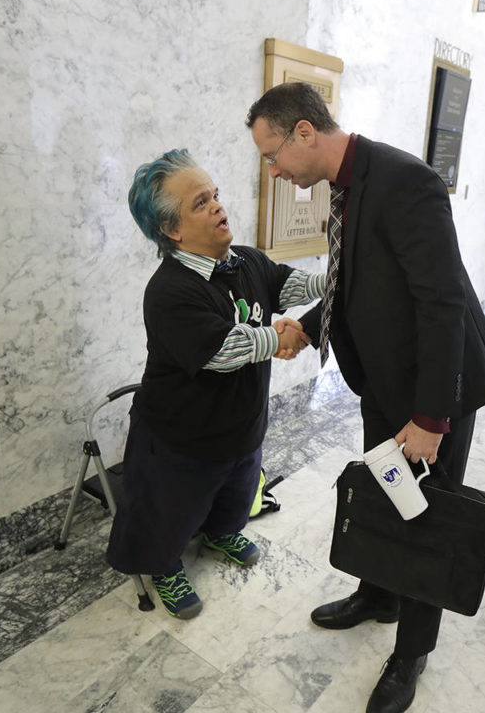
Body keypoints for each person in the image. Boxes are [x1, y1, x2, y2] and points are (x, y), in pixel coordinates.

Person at [246, 82, 485, 713]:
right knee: (387, 492)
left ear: (305, 132)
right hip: (385, 379)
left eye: (272, 153)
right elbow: (357, 280)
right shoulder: (348, 184)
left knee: (425, 515)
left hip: (432, 389)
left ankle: (412, 651)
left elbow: (441, 304)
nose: (273, 170)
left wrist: (431, 418)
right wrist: (308, 327)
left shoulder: (405, 181)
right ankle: (379, 594)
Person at [105, 149, 322, 620]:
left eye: (216, 195)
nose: (219, 207)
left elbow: (291, 285)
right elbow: (222, 351)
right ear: (172, 230)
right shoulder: (169, 292)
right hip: (179, 439)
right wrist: (280, 337)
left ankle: (222, 532)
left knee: (236, 491)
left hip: (240, 426)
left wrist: (337, 281)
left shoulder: (246, 262)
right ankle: (164, 566)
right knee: (169, 513)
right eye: (201, 203)